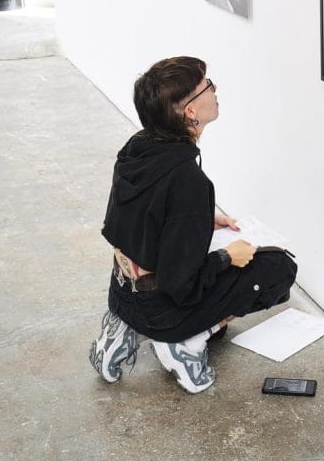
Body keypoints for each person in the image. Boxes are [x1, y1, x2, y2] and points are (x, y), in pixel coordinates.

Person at [89, 57, 297, 394]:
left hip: (123, 293)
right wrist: (229, 256)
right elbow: (180, 284)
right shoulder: (188, 180)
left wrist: (203, 219)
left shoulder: (136, 149)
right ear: (190, 111)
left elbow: (136, 218)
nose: (215, 90)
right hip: (162, 311)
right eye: (207, 86)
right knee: (277, 267)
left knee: (220, 268)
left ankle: (125, 326)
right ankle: (183, 342)